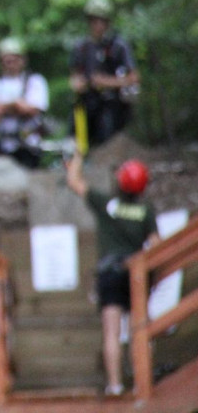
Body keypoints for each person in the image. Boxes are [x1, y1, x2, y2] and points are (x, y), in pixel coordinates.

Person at [65, 152, 160, 397]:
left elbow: (74, 182)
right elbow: (157, 244)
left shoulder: (107, 203)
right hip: (136, 274)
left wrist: (76, 160)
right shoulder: (145, 211)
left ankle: (115, 386)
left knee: (112, 332)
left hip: (110, 274)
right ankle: (143, 383)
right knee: (140, 330)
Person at [69, 0, 140, 148]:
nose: (98, 25)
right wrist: (77, 84)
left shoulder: (119, 46)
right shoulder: (81, 47)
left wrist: (107, 82)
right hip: (86, 104)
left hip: (112, 105)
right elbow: (75, 74)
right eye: (94, 20)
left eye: (102, 20)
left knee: (108, 141)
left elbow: (134, 78)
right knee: (77, 142)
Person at [0, 36, 49, 169]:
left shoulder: (35, 81)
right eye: (6, 60)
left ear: (23, 60)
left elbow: (33, 109)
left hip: (28, 146)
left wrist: (5, 107)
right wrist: (16, 105)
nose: (10, 63)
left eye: (14, 59)